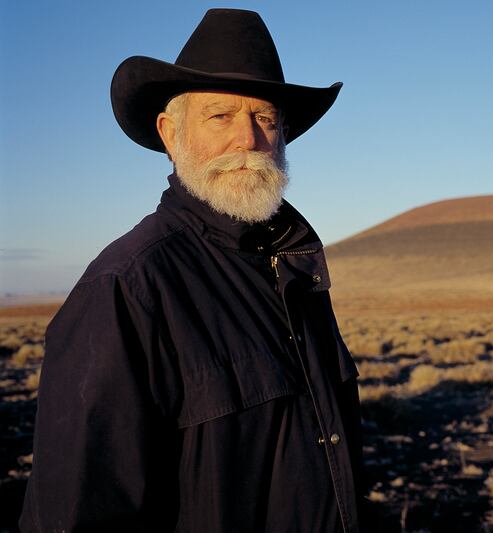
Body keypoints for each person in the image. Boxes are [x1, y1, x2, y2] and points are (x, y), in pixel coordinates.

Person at [20, 8, 366, 532]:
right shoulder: (127, 287)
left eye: (265, 119)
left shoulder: (294, 271)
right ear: (169, 132)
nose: (248, 140)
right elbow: (78, 511)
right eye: (220, 116)